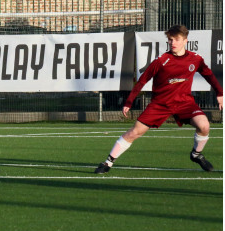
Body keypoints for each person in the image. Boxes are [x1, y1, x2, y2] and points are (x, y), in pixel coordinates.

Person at [95, 24, 223, 174]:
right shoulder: (162, 60)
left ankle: (196, 154)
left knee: (204, 125)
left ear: (185, 41)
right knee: (135, 132)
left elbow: (209, 76)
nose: (173, 43)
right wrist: (129, 102)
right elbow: (142, 80)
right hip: (160, 104)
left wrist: (220, 94)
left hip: (184, 102)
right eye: (170, 40)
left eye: (176, 39)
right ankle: (108, 162)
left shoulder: (195, 59)